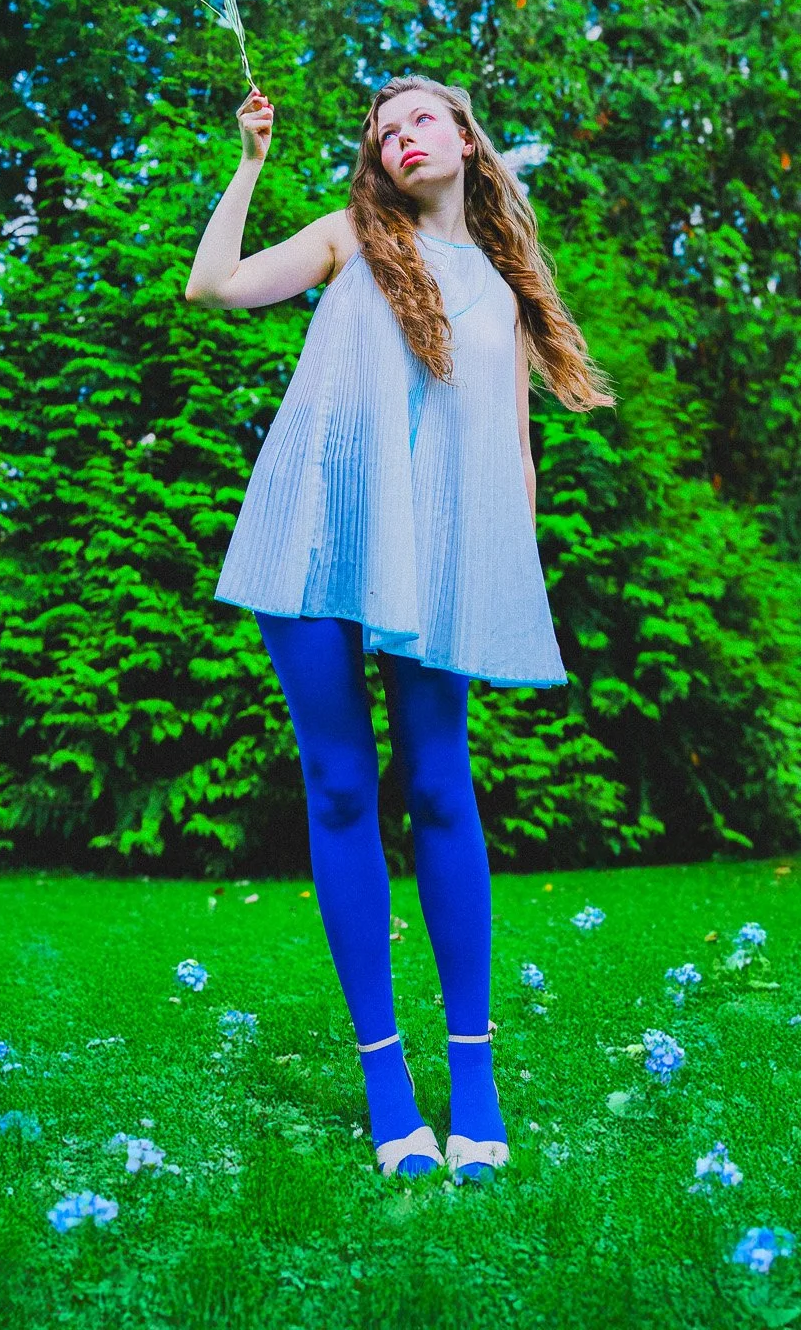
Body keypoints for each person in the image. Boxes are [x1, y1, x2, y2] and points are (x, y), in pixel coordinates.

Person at [184, 74, 613, 1180]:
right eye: (382, 132)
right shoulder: (344, 237)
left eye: (420, 118)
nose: (399, 137)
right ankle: (387, 1085)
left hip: (433, 557)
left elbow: (508, 455)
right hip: (314, 532)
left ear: (466, 141)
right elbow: (215, 285)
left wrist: (501, 581)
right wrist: (247, 164)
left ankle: (473, 1079)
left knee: (438, 786)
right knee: (338, 787)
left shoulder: (502, 290)